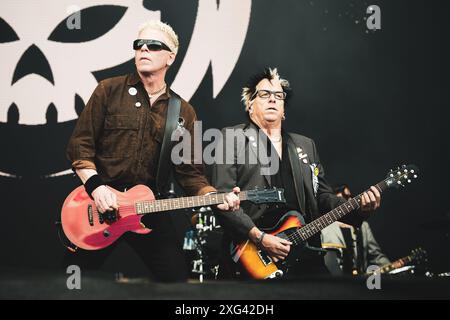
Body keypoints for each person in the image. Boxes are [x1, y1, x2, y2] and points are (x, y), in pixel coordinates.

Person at [65, 20, 239, 282]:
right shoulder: (108, 90)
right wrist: (97, 188)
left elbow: (190, 174)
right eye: (139, 45)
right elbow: (80, 145)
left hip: (150, 207)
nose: (143, 49)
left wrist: (215, 196)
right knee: (70, 282)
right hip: (100, 204)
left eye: (153, 45)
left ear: (171, 57)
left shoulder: (182, 112)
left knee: (177, 283)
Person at [210, 67, 382, 279]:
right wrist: (259, 237)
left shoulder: (305, 146)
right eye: (264, 94)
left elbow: (322, 197)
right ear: (249, 104)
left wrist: (359, 208)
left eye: (279, 96)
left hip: (304, 250)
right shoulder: (231, 138)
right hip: (251, 254)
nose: (272, 99)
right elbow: (222, 199)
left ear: (284, 109)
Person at [321, 185, 390, 275]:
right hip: (334, 283)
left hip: (359, 283)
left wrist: (392, 267)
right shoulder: (323, 225)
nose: (349, 199)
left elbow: (376, 256)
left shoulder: (364, 226)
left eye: (350, 196)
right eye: (344, 197)